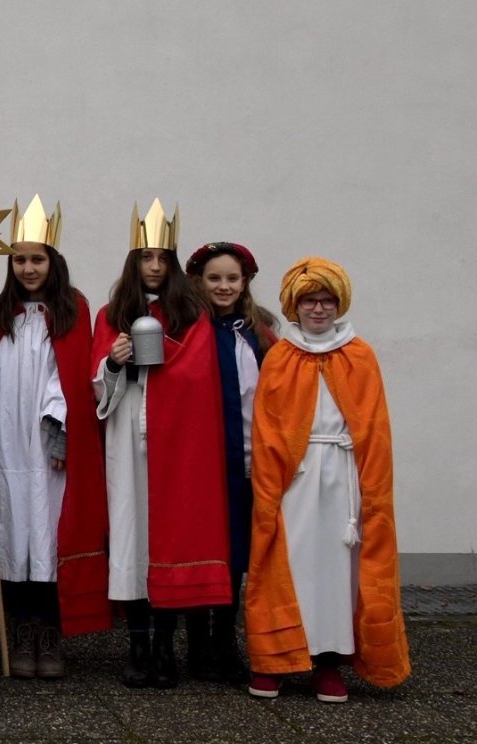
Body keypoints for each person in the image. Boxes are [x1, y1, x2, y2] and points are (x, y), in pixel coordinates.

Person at [244, 258, 409, 703]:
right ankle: (278, 659)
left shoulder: (361, 355)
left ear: (339, 304)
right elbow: (267, 426)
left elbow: (375, 425)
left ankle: (328, 663)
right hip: (293, 478)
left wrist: (370, 485)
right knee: (291, 566)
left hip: (344, 475)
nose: (318, 309)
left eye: (326, 300)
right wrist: (271, 483)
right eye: (309, 301)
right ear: (294, 307)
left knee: (338, 573)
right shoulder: (280, 356)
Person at [0, 197, 109, 680]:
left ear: (53, 262)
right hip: (6, 442)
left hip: (47, 447)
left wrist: (59, 433)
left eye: (37, 259)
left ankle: (50, 633)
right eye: (20, 259)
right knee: (12, 533)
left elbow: (66, 378)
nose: (28, 268)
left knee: (46, 533)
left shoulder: (72, 309)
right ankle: (21, 632)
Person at [91, 201, 231, 689]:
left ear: (172, 264)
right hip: (128, 435)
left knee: (168, 539)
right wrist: (115, 361)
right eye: (146, 257)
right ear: (134, 262)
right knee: (131, 539)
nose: (154, 266)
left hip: (176, 443)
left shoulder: (192, 315)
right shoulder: (112, 314)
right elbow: (97, 384)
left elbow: (197, 377)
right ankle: (138, 649)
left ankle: (166, 651)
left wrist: (162, 352)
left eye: (162, 258)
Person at [184, 241, 280, 684]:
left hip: (247, 460)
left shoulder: (261, 334)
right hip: (201, 464)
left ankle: (225, 640)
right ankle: (197, 643)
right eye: (214, 278)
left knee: (238, 553)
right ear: (199, 283)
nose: (223, 286)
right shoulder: (188, 328)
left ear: (245, 283)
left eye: (232, 278)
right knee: (202, 548)